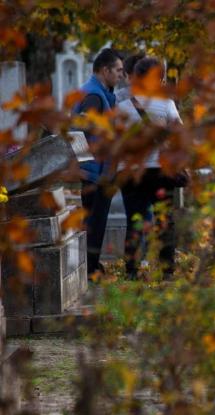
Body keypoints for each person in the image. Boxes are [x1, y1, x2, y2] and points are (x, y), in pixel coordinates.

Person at [116, 57, 182, 280]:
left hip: (131, 172)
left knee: (134, 220)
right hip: (159, 171)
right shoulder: (166, 104)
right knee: (165, 221)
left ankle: (132, 271)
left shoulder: (123, 107)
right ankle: (167, 271)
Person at [72, 48, 124, 279]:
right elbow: (79, 132)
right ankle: (90, 269)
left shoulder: (99, 93)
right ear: (105, 70)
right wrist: (86, 167)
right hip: (97, 173)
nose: (121, 75)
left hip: (97, 170)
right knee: (94, 223)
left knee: (94, 222)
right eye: (119, 71)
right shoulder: (93, 96)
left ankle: (92, 265)